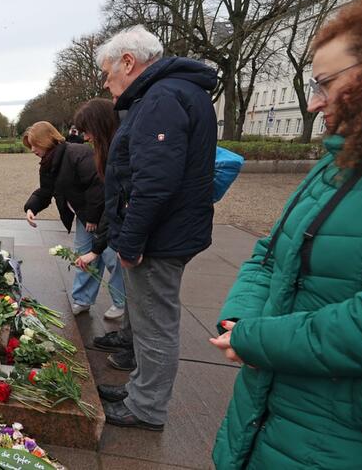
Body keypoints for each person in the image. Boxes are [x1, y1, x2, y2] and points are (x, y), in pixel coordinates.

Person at [211, 0, 362, 469]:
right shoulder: (336, 163)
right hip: (274, 407)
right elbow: (271, 252)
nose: (312, 103)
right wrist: (240, 318)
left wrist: (257, 340)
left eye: (324, 83)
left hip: (344, 435)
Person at [91, 25, 217, 431]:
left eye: (109, 75)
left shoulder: (161, 98)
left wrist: (130, 242)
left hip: (161, 237)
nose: (109, 87)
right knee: (146, 321)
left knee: (153, 324)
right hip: (171, 231)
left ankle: (146, 407)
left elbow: (154, 180)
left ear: (129, 62)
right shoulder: (174, 92)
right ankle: (138, 388)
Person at [22, 121, 122, 316]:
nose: (33, 149)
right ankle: (83, 299)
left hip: (102, 215)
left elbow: (98, 187)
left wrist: (93, 218)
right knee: (84, 256)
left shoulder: (78, 153)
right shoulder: (48, 162)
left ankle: (121, 302)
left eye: (35, 144)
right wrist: (32, 207)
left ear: (46, 140)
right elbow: (46, 190)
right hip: (85, 216)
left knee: (111, 259)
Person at [71, 98, 128, 324]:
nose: (85, 137)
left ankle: (122, 304)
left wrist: (96, 248)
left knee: (114, 260)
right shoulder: (105, 151)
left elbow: (112, 202)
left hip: (120, 219)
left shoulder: (120, 151)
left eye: (87, 131)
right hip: (111, 217)